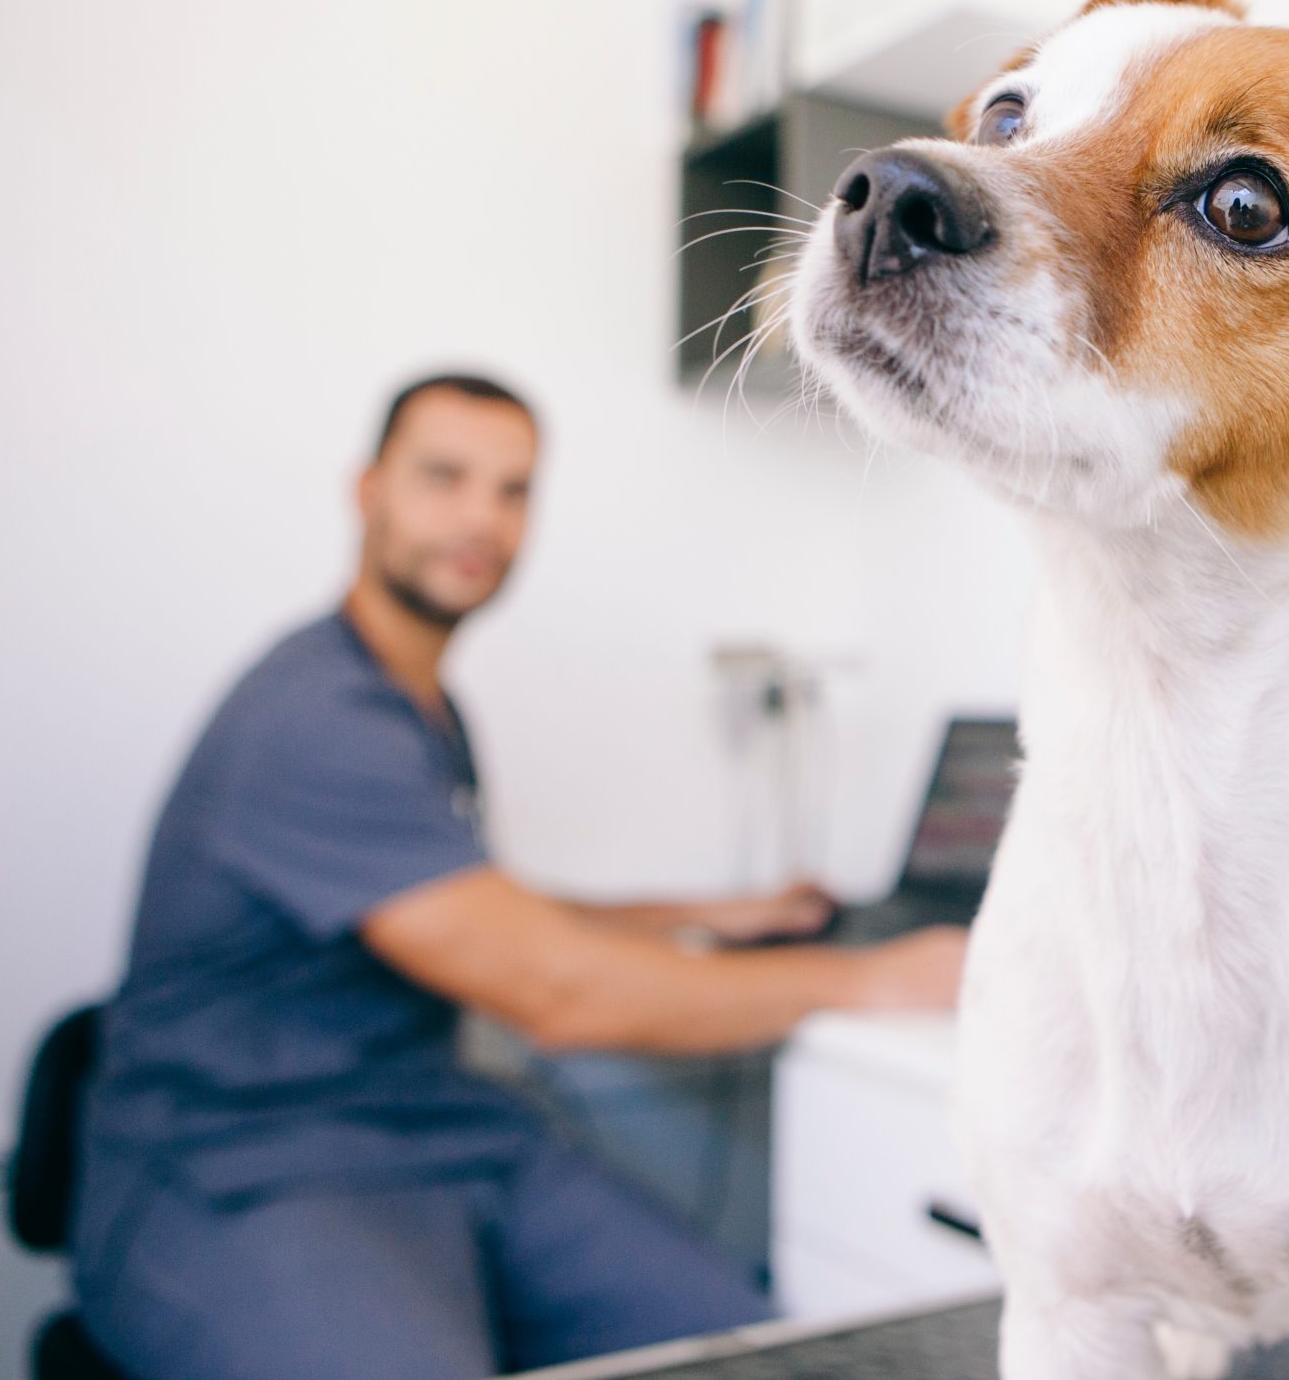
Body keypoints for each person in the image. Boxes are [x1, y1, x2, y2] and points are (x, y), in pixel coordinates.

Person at [71, 371, 966, 1380]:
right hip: (245, 1165)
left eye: (513, 490)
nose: (481, 519)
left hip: (436, 1127)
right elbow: (557, 991)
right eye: (444, 477)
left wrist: (713, 912)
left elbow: (486, 912)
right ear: (367, 491)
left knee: (756, 1351)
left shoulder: (422, 708)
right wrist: (873, 977)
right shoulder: (317, 719)